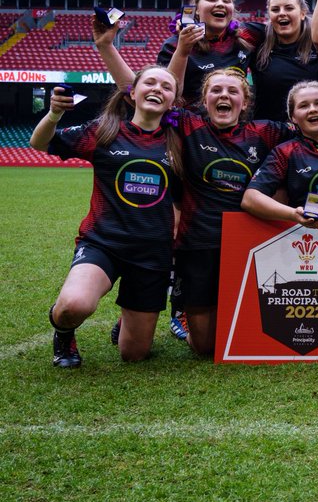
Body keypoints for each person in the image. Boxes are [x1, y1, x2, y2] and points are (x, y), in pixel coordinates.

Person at [97, 24, 294, 355]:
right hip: (198, 243)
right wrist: (107, 47)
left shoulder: (266, 132)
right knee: (205, 349)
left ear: (245, 102)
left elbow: (309, 130)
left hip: (249, 242)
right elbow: (138, 91)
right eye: (216, 90)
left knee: (252, 333)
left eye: (233, 91)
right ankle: (167, 315)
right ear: (204, 99)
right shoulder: (188, 125)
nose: (224, 96)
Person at [31, 66, 182, 366]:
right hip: (104, 242)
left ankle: (128, 321)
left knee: (133, 355)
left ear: (173, 101)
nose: (157, 89)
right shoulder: (105, 131)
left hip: (153, 252)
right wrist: (54, 114)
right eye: (149, 82)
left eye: (166, 87)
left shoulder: (180, 142)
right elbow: (39, 143)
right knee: (73, 306)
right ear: (133, 93)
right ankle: (63, 332)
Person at [241, 79, 318, 222]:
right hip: (311, 236)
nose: (312, 109)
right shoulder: (285, 152)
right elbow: (250, 199)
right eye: (303, 105)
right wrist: (293, 214)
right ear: (293, 117)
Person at [158, 0, 250, 108]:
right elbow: (168, 93)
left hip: (233, 121)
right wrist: (182, 50)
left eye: (227, 1)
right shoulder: (173, 45)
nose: (220, 4)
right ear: (196, 9)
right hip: (189, 123)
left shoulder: (246, 39)